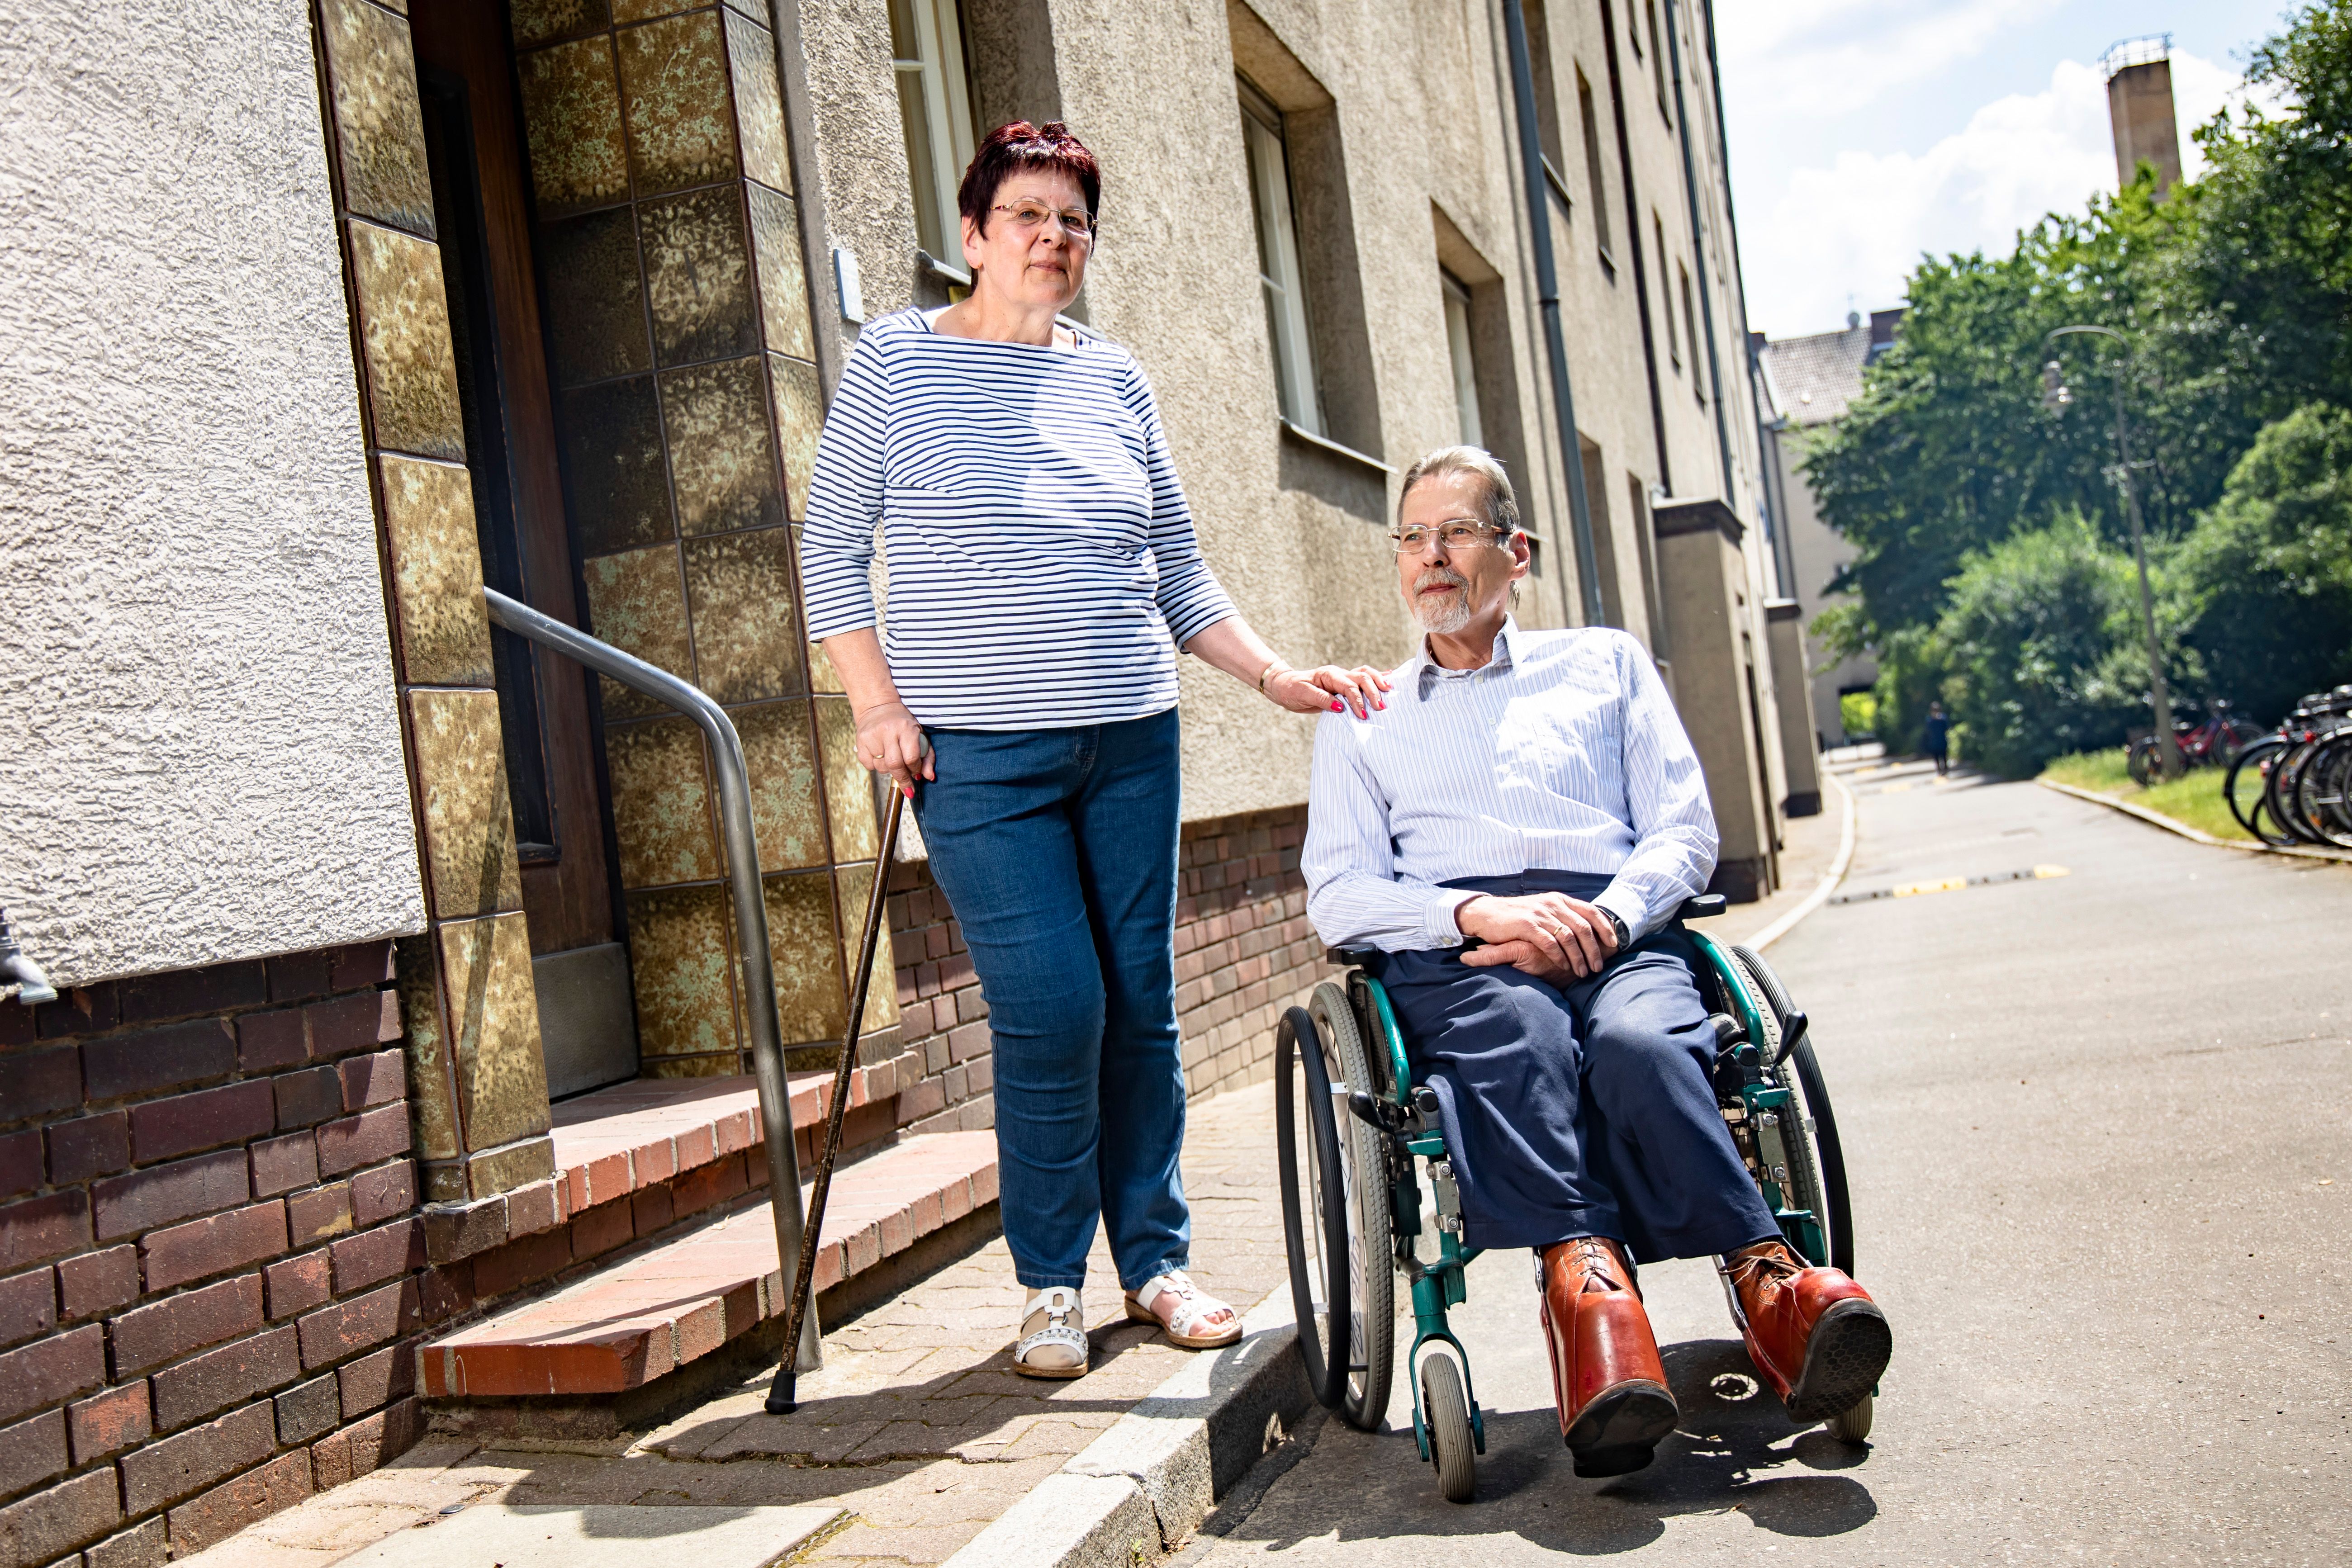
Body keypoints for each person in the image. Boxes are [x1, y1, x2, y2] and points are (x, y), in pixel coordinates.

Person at [799, 122, 1391, 1380]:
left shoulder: (1113, 377)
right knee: (1054, 1008)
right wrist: (874, 704)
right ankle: (1053, 1285)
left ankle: (1159, 1263)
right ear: (972, 235)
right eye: (1028, 215)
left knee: (1141, 1009)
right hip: (975, 757)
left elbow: (1175, 564)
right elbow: (829, 548)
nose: (1053, 240)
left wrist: (1278, 673)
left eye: (1073, 222)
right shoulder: (897, 364)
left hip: (1130, 736)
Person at [1302, 446, 1892, 1476]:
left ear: (1514, 551)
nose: (1430, 559)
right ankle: (1588, 1298)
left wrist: (1610, 919)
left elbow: (1680, 829)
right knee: (1520, 1043)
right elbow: (1338, 894)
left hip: (1613, 930)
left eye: (1456, 533)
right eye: (1412, 538)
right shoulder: (1362, 713)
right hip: (1464, 949)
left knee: (1636, 1045)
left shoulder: (1602, 663)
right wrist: (1474, 911)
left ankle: (1767, 1282)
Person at [1923, 700, 1951, 776]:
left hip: (1942, 741)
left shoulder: (1943, 719)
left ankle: (1945, 769)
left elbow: (1946, 727)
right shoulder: (1930, 720)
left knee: (1944, 756)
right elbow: (1928, 730)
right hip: (1934, 742)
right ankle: (1939, 770)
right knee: (1936, 757)